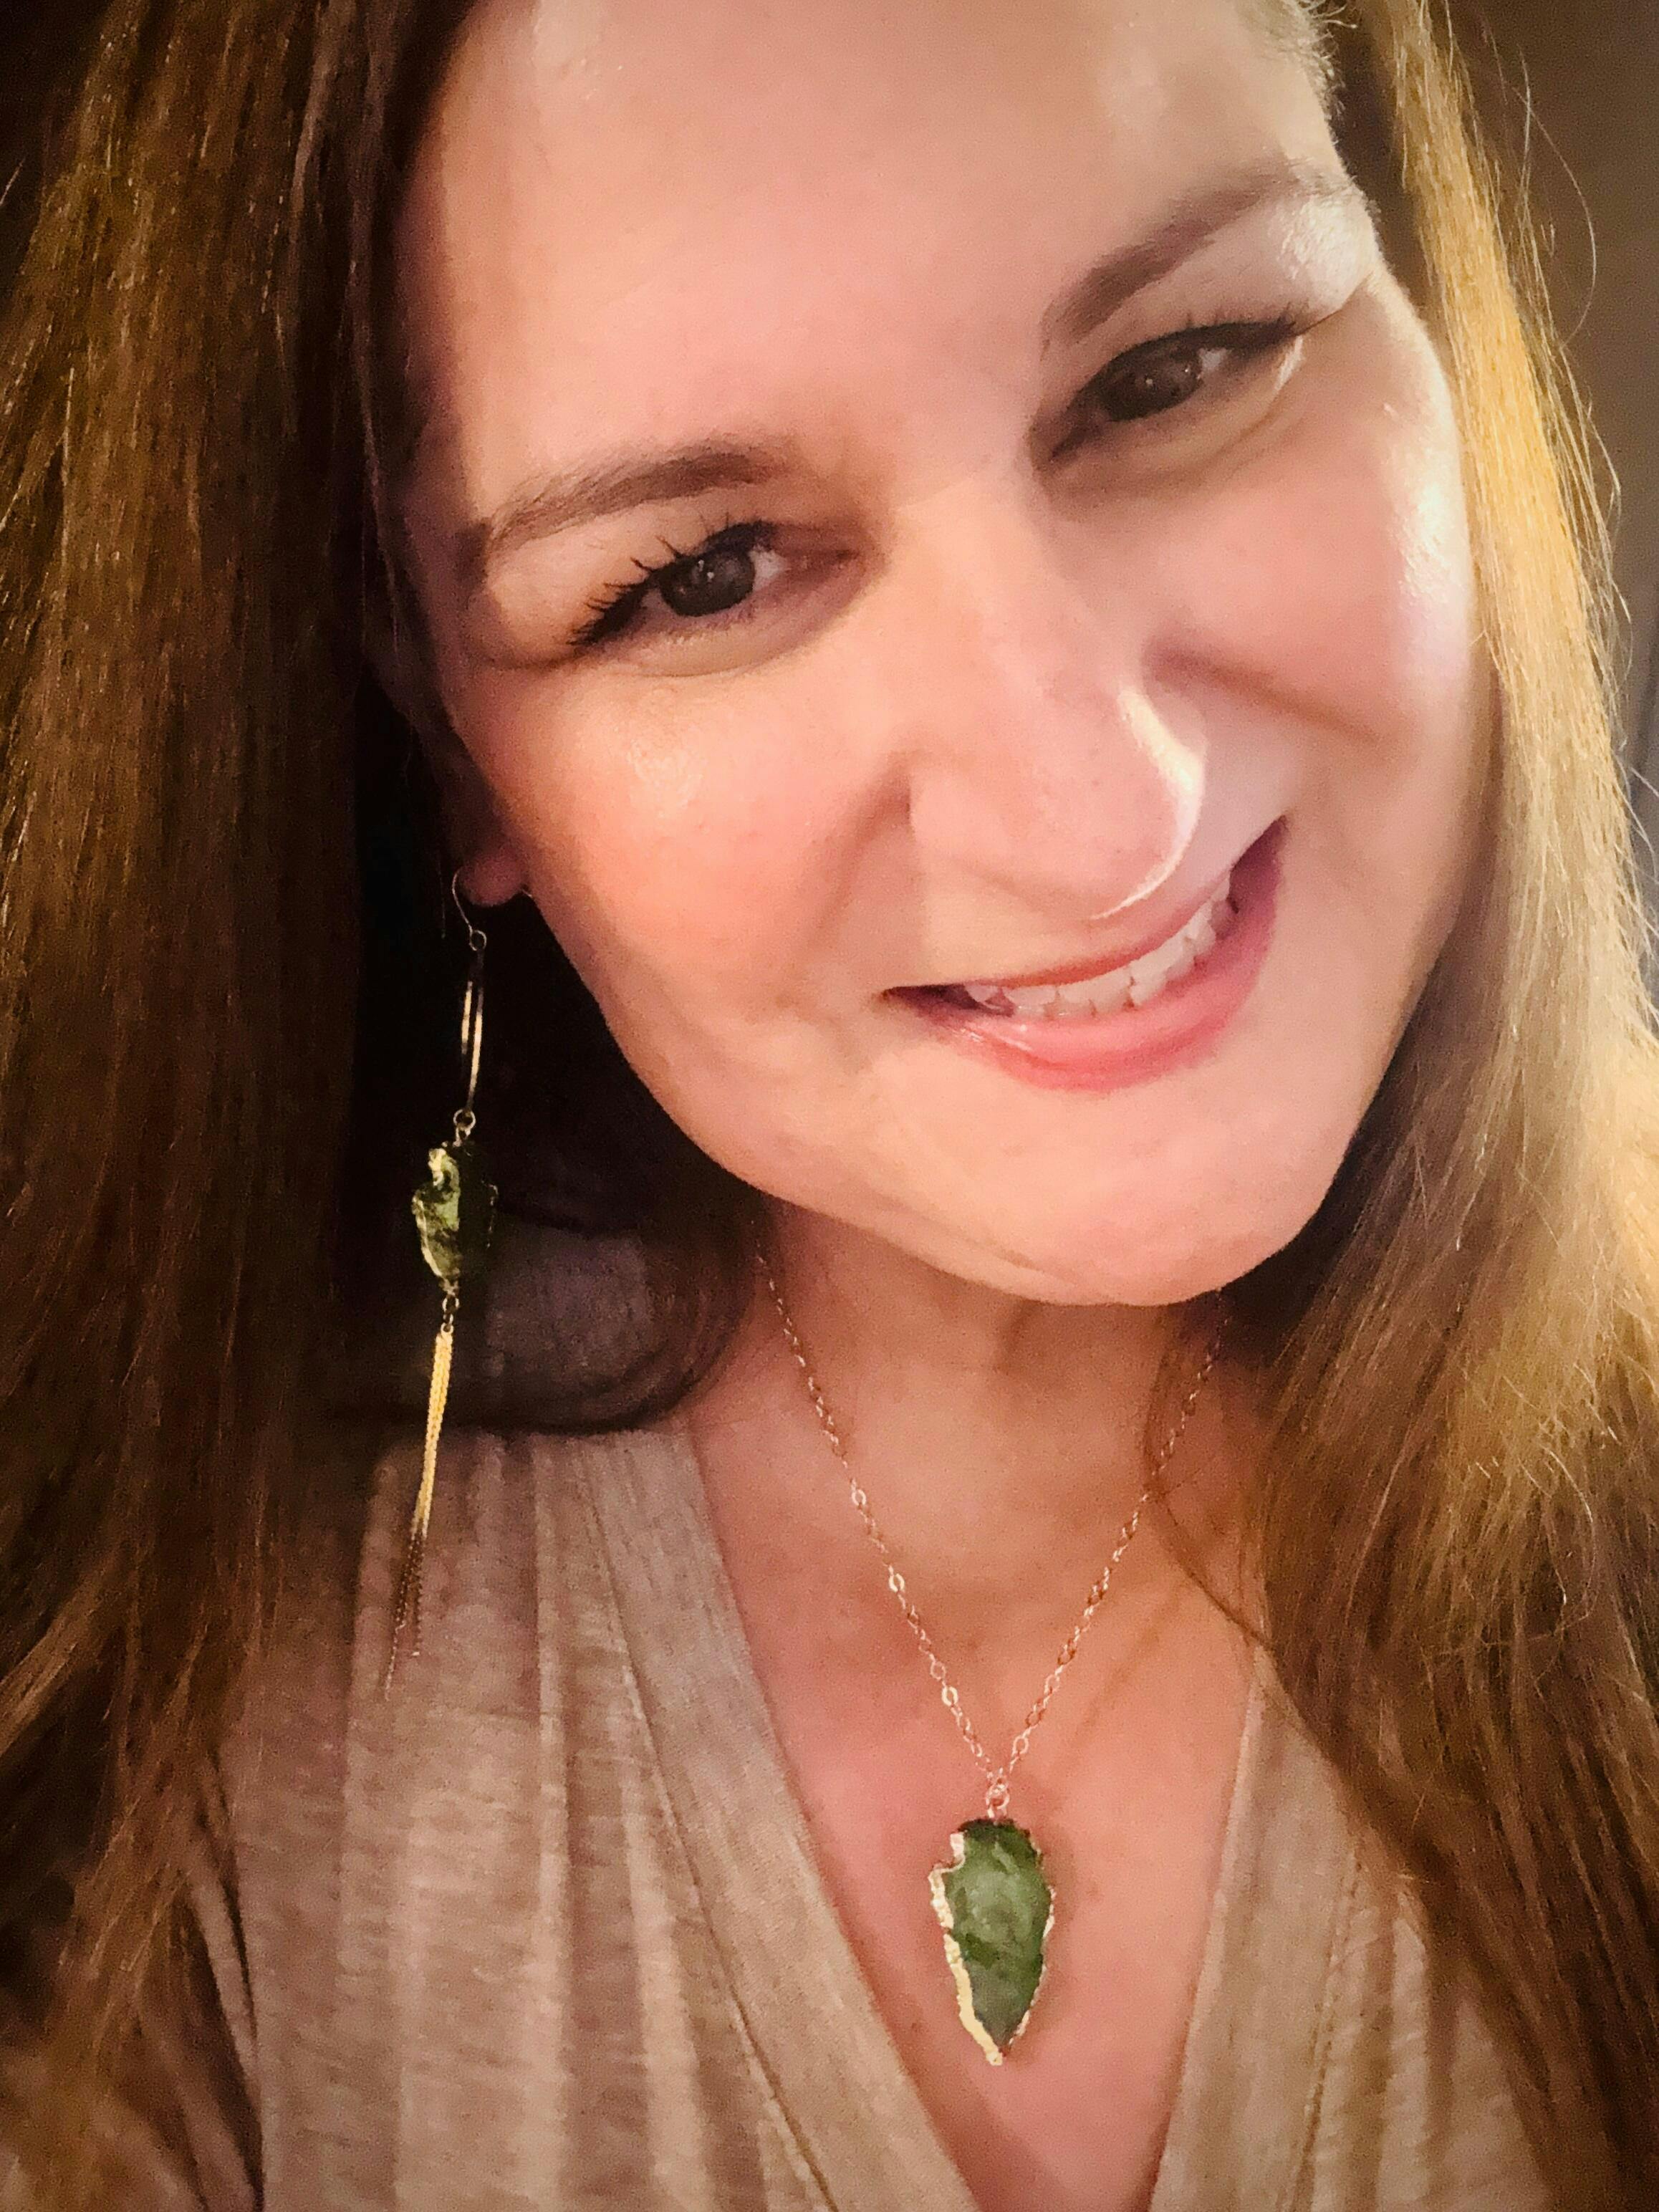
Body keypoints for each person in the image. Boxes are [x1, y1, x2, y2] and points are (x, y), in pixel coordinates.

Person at [3, 0, 1658, 2204]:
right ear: (442, 742)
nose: (1096, 818)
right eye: (699, 573)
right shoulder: (172, 1689)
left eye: (1179, 367)